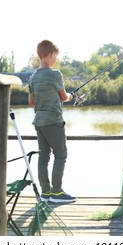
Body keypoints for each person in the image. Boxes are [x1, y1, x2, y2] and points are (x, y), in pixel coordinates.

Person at [28, 39, 76, 203]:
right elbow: (64, 97)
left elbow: (31, 102)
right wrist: (71, 96)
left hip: (39, 122)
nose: (56, 58)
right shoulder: (55, 74)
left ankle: (45, 192)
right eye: (56, 55)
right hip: (54, 121)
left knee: (44, 157)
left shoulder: (33, 77)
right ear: (49, 54)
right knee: (61, 154)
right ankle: (57, 192)